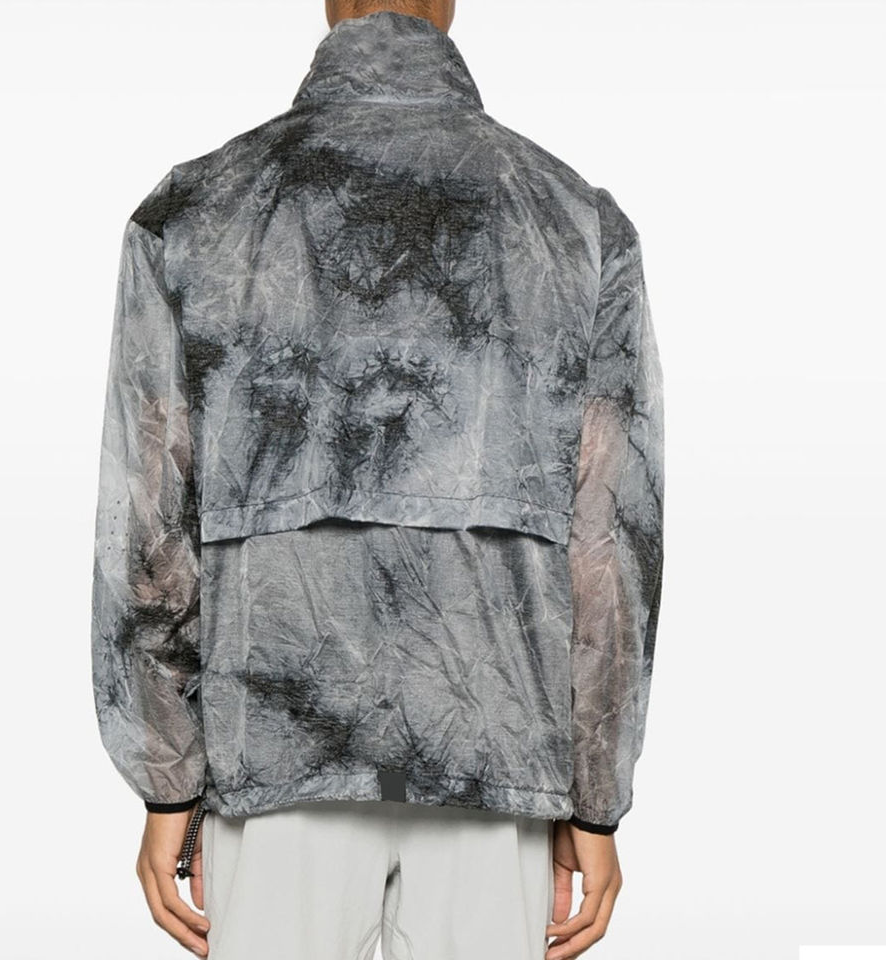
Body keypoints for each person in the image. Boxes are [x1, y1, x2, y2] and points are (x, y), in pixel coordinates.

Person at [89, 1, 665, 958]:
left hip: (271, 749)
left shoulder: (191, 213)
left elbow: (150, 528)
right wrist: (595, 798)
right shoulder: (576, 220)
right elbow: (611, 541)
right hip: (495, 749)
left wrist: (167, 778)